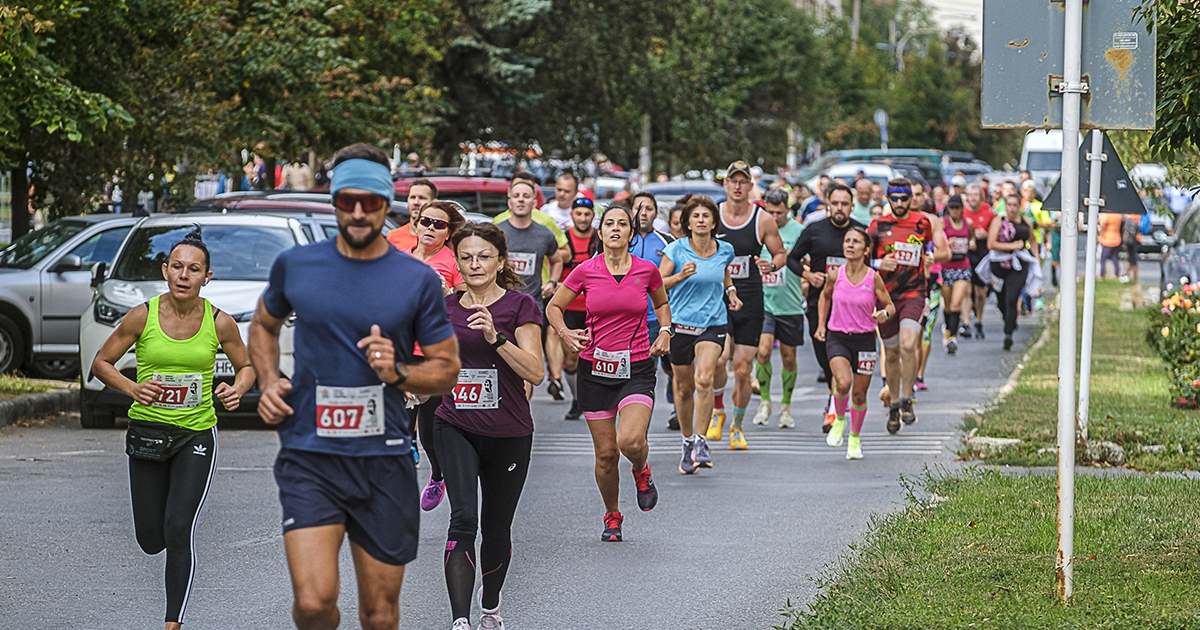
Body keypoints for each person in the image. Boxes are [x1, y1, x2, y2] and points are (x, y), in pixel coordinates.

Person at [248, 143, 460, 630]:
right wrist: (267, 379)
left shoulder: (416, 280)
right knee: (313, 603)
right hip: (310, 455)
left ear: (388, 203)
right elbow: (262, 326)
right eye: (347, 201)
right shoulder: (297, 266)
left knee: (380, 615)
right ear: (334, 200)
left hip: (383, 460)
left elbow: (447, 368)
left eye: (371, 201)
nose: (359, 212)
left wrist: (398, 372)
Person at [91, 228, 255, 630]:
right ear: (165, 271)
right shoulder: (142, 316)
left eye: (194, 269)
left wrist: (237, 389)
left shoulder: (221, 322)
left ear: (207, 276)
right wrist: (133, 388)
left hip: (196, 434)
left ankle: (172, 623)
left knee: (179, 526)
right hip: (148, 434)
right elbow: (101, 362)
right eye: (177, 267)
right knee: (152, 539)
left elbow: (247, 367)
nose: (184, 275)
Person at [436, 222, 544, 630]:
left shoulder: (520, 307)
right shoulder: (444, 308)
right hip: (455, 425)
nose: (474, 264)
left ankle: (491, 605)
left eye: (483, 256)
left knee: (496, 529)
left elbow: (535, 372)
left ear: (501, 261)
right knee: (463, 519)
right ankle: (460, 621)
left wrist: (497, 337)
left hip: (509, 432)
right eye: (466, 257)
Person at [548, 203, 673, 541]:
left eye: (623, 224)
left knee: (630, 440)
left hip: (636, 367)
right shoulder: (586, 271)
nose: (615, 228)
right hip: (595, 369)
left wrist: (664, 330)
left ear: (631, 234)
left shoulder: (647, 270)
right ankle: (612, 515)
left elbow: (661, 303)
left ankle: (641, 468)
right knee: (605, 455)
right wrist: (565, 333)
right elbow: (554, 306)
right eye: (609, 224)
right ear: (600, 233)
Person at [709, 160, 787, 451]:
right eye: (734, 181)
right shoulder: (713, 216)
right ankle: (718, 409)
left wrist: (771, 264)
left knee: (742, 369)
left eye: (743, 182)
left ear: (751, 187)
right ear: (726, 184)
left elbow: (780, 254)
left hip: (751, 298)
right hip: (717, 297)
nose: (738, 186)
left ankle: (737, 425)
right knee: (718, 359)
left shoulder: (762, 219)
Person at [659, 195, 740, 474]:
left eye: (706, 216)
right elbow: (657, 285)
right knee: (684, 388)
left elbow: (723, 274)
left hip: (713, 324)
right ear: (688, 222)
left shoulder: (725, 249)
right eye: (696, 216)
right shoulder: (676, 250)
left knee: (704, 377)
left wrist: (731, 292)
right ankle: (686, 441)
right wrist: (680, 276)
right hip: (681, 324)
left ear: (714, 221)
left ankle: (702, 442)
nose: (701, 220)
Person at [867, 178, 948, 434]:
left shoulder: (922, 223)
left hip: (914, 292)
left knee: (909, 344)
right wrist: (880, 264)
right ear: (888, 199)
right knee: (891, 353)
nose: (900, 203)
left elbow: (936, 250)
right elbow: (863, 260)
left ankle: (906, 398)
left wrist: (930, 259)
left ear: (911, 199)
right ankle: (892, 404)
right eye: (895, 198)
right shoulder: (877, 226)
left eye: (905, 198)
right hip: (887, 296)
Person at [787, 182, 864, 432]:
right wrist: (808, 276)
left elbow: (872, 268)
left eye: (845, 204)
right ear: (827, 204)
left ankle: (834, 405)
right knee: (824, 357)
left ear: (852, 206)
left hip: (852, 309)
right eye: (835, 203)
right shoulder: (814, 230)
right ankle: (836, 397)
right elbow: (791, 259)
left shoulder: (859, 233)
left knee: (844, 359)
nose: (840, 208)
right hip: (819, 304)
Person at [408, 200, 468, 512]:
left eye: (439, 224)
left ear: (448, 232)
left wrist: (448, 294)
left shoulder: (452, 261)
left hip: (433, 353)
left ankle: (438, 474)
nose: (430, 228)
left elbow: (464, 304)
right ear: (416, 224)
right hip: (403, 351)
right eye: (426, 222)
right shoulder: (401, 259)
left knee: (430, 431)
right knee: (400, 424)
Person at [815, 227, 894, 459]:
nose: (850, 245)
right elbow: (825, 296)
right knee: (842, 382)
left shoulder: (873, 277)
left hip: (865, 340)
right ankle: (839, 419)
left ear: (866, 249)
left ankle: (855, 438)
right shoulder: (835, 275)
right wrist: (821, 324)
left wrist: (884, 315)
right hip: (837, 335)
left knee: (859, 394)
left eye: (856, 242)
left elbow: (890, 305)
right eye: (847, 241)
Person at [752, 188, 805, 429]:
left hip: (790, 303)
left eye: (779, 213)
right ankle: (764, 402)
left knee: (789, 358)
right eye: (770, 212)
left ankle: (786, 405)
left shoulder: (799, 231)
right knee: (762, 351)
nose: (774, 217)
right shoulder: (759, 227)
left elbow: (807, 262)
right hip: (764, 302)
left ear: (788, 209)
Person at [629, 192, 679, 429]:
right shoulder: (621, 240)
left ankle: (677, 405)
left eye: (648, 208)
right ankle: (639, 427)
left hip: (657, 318)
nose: (643, 213)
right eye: (638, 208)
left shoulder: (666, 241)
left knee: (673, 367)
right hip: (629, 321)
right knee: (642, 373)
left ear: (656, 213)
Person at [984, 192, 1040, 350]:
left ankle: (1008, 332)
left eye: (1015, 205)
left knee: (1012, 296)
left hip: (1019, 263)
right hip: (1000, 263)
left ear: (1019, 206)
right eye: (1009, 205)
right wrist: (1011, 246)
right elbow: (991, 243)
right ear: (1005, 206)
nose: (1012, 209)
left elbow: (1032, 240)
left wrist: (1036, 260)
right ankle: (1008, 319)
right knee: (1001, 298)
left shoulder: (1025, 221)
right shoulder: (999, 221)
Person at [559, 196, 597, 419]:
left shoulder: (598, 240)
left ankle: (596, 398)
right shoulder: (564, 240)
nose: (583, 218)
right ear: (572, 215)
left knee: (595, 355)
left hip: (595, 308)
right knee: (572, 356)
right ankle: (577, 399)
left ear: (593, 216)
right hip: (571, 308)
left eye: (587, 214)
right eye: (578, 214)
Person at [940, 194, 974, 354]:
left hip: (962, 266)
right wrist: (947, 243)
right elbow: (935, 243)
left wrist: (971, 243)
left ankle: (952, 337)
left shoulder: (968, 223)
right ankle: (948, 329)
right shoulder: (942, 223)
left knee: (955, 304)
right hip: (946, 267)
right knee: (947, 306)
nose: (954, 211)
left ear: (962, 209)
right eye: (951, 208)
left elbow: (972, 238)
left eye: (957, 208)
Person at [961, 183, 994, 339]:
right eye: (970, 195)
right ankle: (966, 322)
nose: (973, 198)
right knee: (966, 290)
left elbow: (996, 233)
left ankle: (979, 320)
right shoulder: (962, 213)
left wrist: (986, 234)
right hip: (966, 254)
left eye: (976, 195)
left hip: (982, 254)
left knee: (980, 292)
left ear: (981, 197)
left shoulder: (988, 213)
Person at [387, 178, 438, 252]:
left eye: (422, 198)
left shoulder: (441, 238)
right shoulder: (393, 236)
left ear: (434, 202)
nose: (416, 202)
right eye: (412, 197)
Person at [1097, 211, 1123, 279]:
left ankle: (1102, 274)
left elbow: (1103, 224)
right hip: (1117, 239)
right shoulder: (1118, 215)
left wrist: (1100, 236)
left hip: (1107, 240)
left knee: (1103, 259)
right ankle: (1116, 273)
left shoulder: (1106, 215)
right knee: (1115, 258)